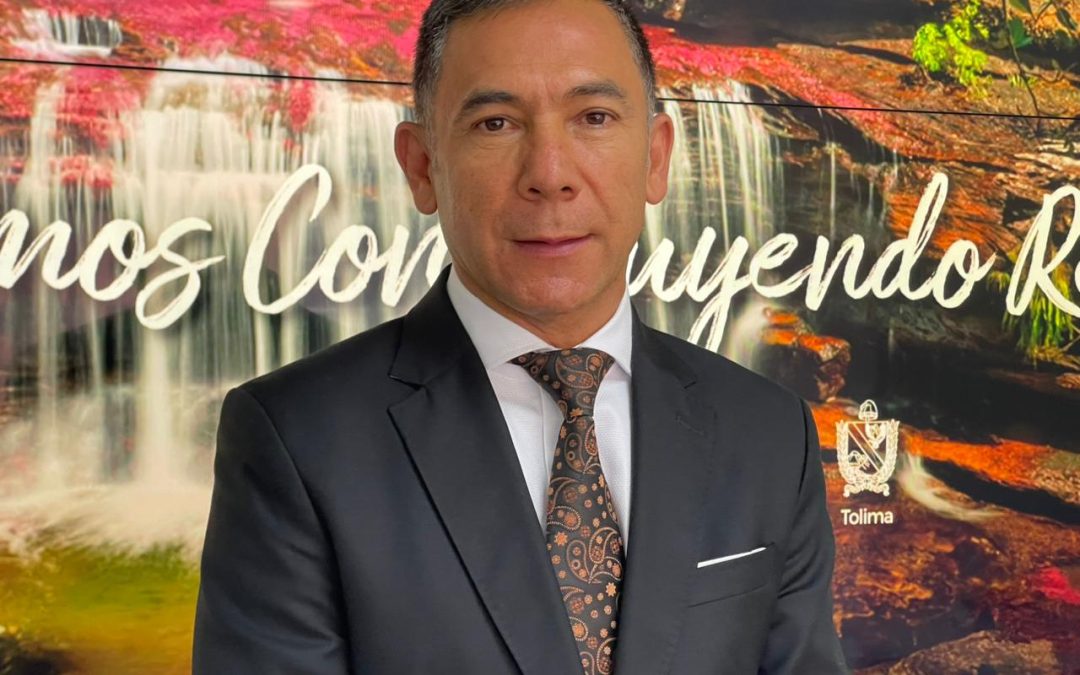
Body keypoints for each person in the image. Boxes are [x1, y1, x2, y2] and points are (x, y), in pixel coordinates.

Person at [192, 0, 850, 672]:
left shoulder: (769, 433)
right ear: (422, 166)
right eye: (496, 123)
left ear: (656, 157)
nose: (550, 175)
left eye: (594, 117)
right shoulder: (297, 439)